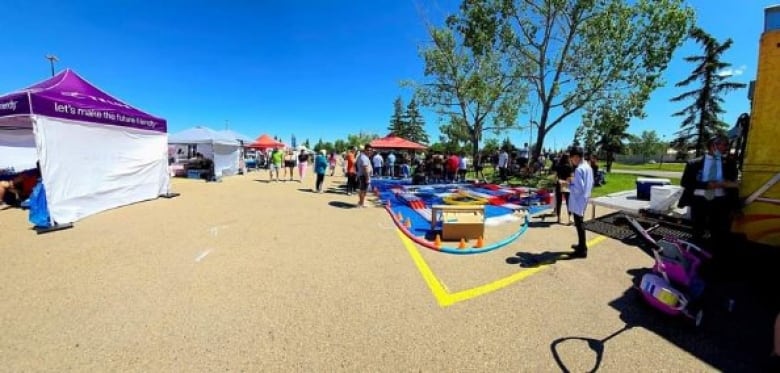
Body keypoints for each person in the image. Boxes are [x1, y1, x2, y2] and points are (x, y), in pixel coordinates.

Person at [678, 135, 740, 250]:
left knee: (718, 233)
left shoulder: (730, 164)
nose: (725, 147)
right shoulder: (694, 163)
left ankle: (713, 256)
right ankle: (695, 256)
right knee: (697, 231)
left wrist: (736, 207)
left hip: (720, 203)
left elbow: (733, 187)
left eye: (726, 144)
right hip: (699, 202)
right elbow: (685, 182)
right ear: (712, 146)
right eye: (722, 144)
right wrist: (706, 185)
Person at [567, 146, 593, 258]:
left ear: (577, 157)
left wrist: (569, 184)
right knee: (579, 222)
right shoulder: (587, 166)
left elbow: (578, 188)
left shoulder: (579, 169)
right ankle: (581, 245)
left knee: (579, 224)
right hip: (585, 197)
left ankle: (582, 250)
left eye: (571, 158)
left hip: (579, 199)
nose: (571, 161)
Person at [554, 154, 573, 224]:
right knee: (568, 202)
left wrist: (556, 182)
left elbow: (555, 176)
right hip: (565, 184)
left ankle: (558, 218)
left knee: (559, 202)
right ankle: (569, 218)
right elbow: (569, 177)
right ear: (567, 159)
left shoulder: (558, 166)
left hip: (559, 183)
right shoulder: (569, 167)